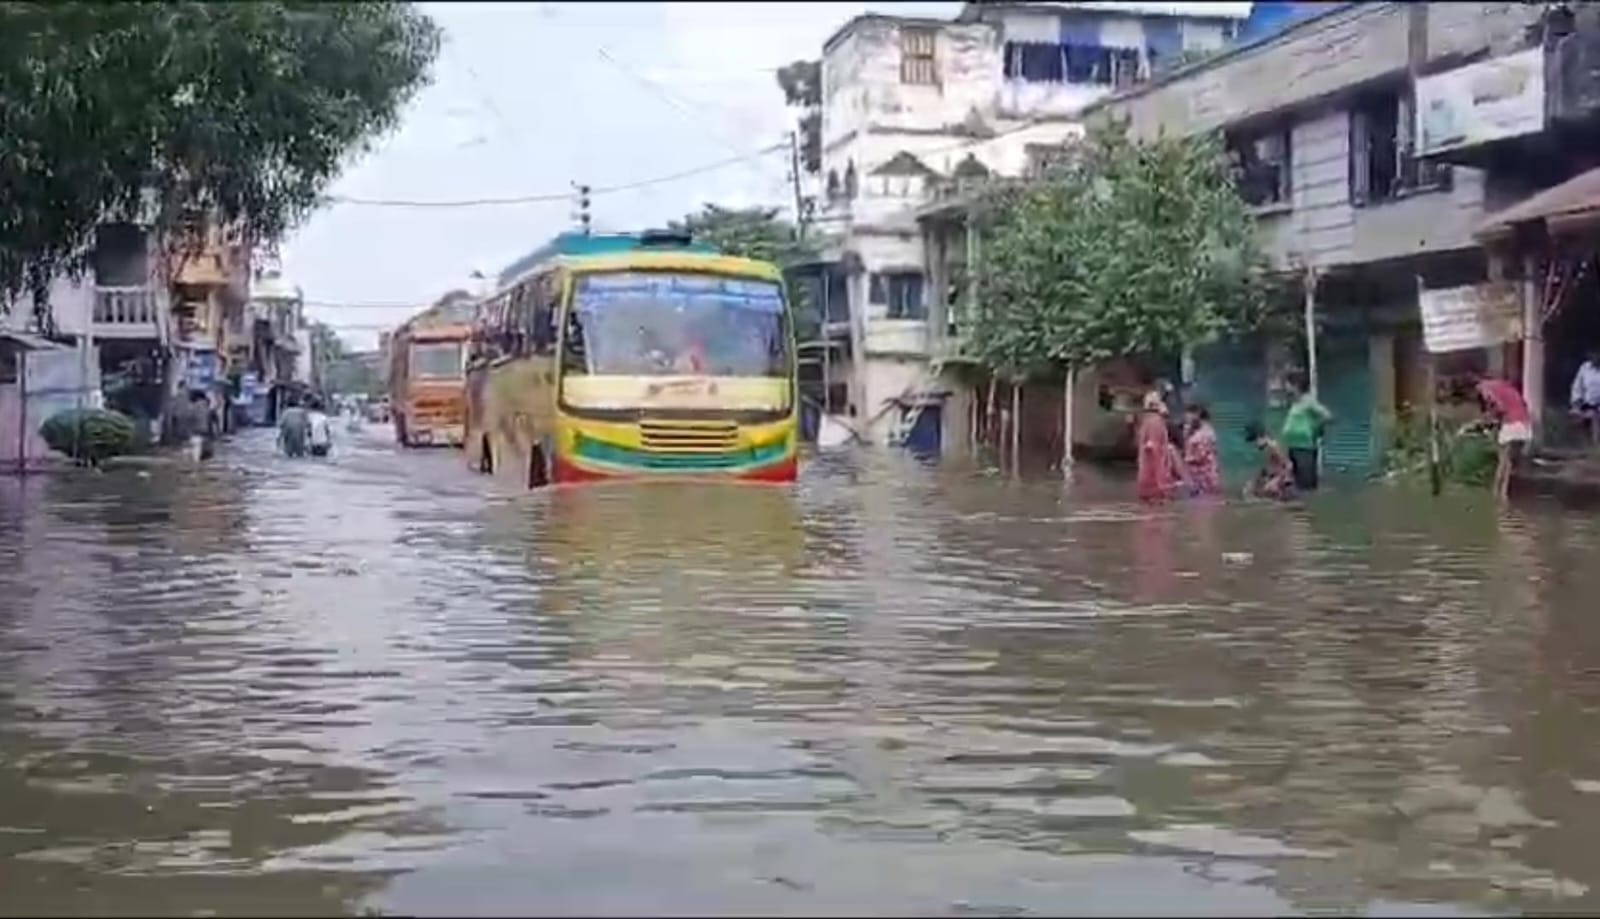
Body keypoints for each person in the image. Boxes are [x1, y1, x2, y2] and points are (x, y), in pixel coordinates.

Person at [1477, 375, 1532, 502]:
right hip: (1525, 425)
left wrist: (1490, 417)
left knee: (1502, 460)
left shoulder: (1486, 387)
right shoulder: (1509, 389)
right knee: (1508, 462)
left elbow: (1499, 407)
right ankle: (1504, 493)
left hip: (1512, 426)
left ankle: (1496, 492)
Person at [1280, 372, 1332, 493]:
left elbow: (1327, 416)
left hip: (1305, 448)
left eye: (1287, 384)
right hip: (1294, 447)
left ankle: (1311, 508)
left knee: (1306, 486)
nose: (1285, 387)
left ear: (1295, 385)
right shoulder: (1295, 403)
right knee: (1297, 486)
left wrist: (1315, 429)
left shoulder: (1308, 401)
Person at [1135, 390, 1176, 502]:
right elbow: (1153, 448)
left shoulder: (1152, 421)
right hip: (1155, 475)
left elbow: (1153, 448)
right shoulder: (1154, 421)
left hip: (1153, 476)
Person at [1244, 422, 1295, 500]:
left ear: (1262, 437)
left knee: (1269, 489)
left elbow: (1288, 464)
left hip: (1282, 481)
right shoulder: (1267, 449)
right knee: (1249, 489)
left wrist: (1279, 480)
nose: (1254, 444)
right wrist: (1254, 482)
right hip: (1273, 477)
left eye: (1255, 441)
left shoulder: (1273, 447)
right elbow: (1266, 470)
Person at [1182, 403, 1223, 496]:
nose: (1186, 420)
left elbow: (1200, 456)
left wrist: (1186, 460)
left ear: (1196, 415)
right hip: (1199, 477)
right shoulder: (1196, 432)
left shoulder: (1205, 433)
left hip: (1206, 477)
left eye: (1188, 418)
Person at [1569, 348, 1600, 446]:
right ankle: (1581, 445)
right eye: (1593, 355)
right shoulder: (1585, 368)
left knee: (1595, 417)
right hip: (1587, 404)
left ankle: (1596, 444)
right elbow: (1577, 386)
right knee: (1576, 415)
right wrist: (1576, 403)